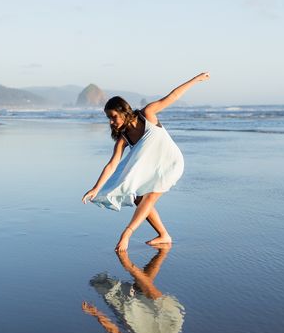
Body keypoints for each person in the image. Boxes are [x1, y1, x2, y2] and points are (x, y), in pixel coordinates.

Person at [82, 72, 210, 252]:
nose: (111, 122)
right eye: (109, 118)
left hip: (171, 163)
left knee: (149, 198)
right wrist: (96, 188)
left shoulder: (147, 115)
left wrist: (195, 80)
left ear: (123, 111)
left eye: (113, 117)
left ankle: (127, 234)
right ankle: (164, 235)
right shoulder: (123, 138)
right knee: (139, 198)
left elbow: (172, 95)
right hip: (153, 168)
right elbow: (111, 165)